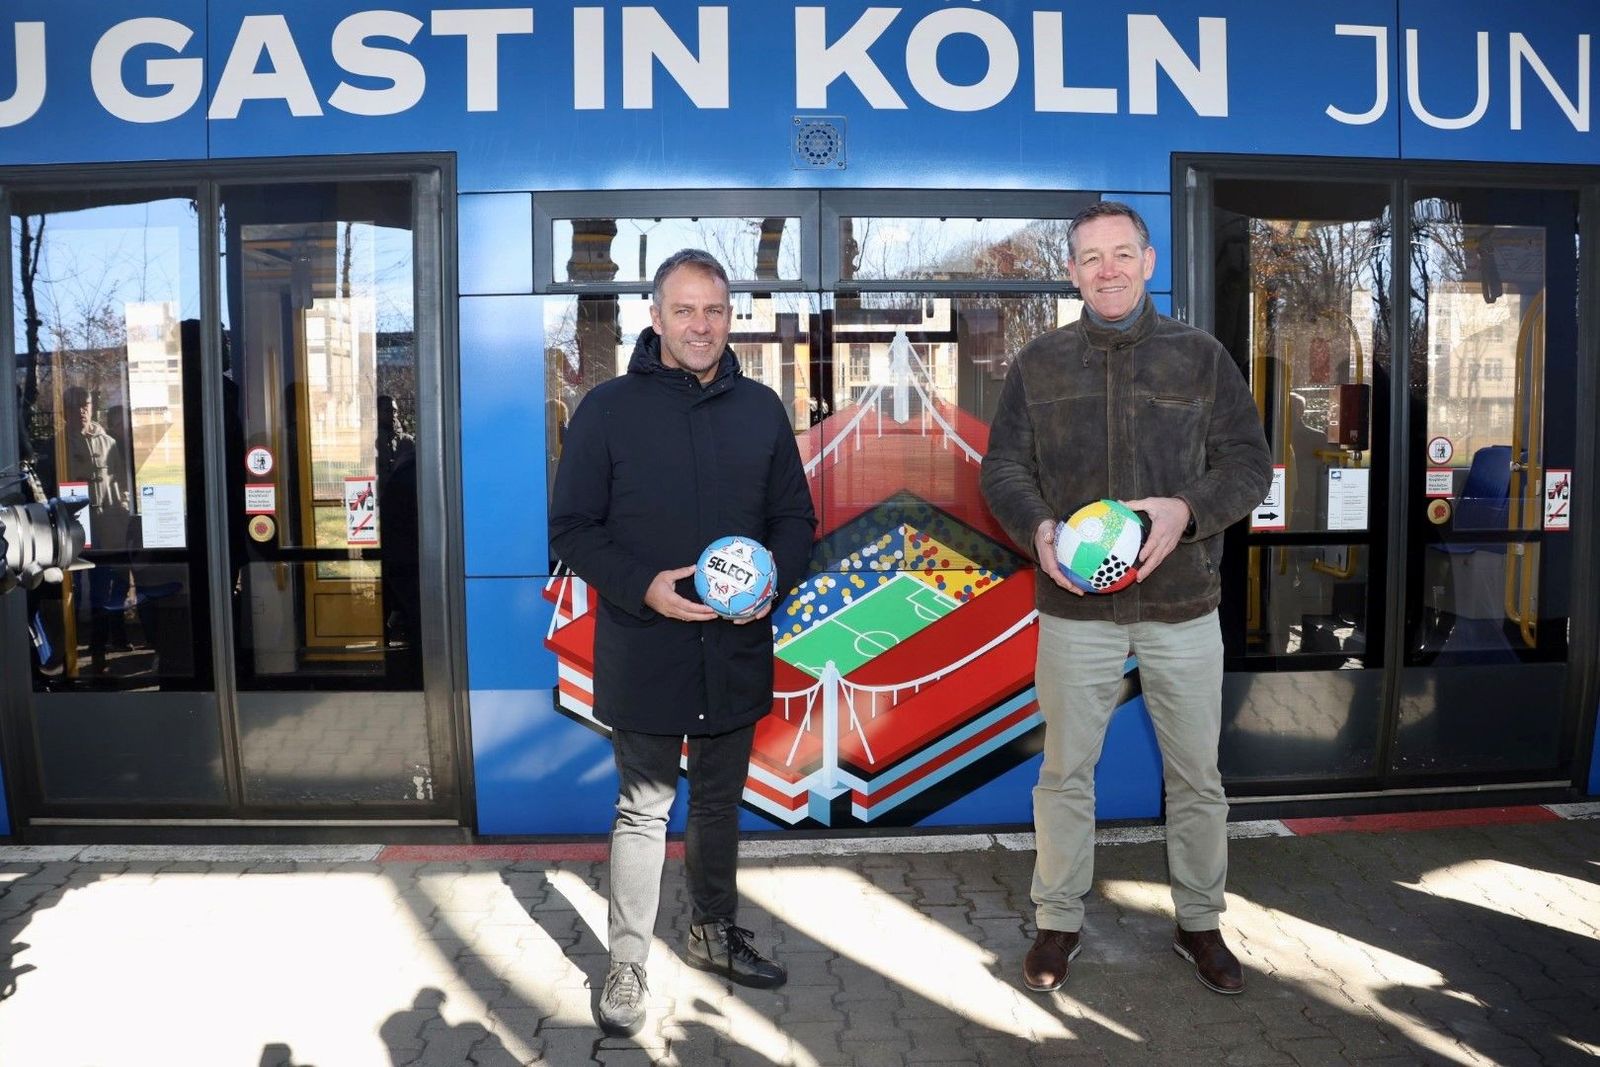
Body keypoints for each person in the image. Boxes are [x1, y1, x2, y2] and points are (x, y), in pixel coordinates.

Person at [979, 202, 1271, 996]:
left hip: (1182, 606)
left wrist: (1187, 510)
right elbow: (1002, 470)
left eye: (1121, 253)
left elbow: (1250, 463)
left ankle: (1200, 922)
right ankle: (1058, 921)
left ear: (1148, 262)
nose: (1106, 269)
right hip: (1076, 611)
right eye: (1089, 257)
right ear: (1071, 272)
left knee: (1197, 776)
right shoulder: (1038, 364)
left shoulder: (1201, 358)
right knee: (1067, 772)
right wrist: (1038, 528)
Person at [548, 248, 817, 1037]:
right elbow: (571, 528)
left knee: (721, 804)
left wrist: (772, 583)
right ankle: (626, 963)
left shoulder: (762, 409)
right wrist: (645, 587)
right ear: (656, 317)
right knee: (643, 809)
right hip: (645, 645)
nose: (701, 326)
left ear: (729, 318)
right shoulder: (606, 410)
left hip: (735, 649)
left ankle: (710, 931)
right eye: (685, 310)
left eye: (715, 310)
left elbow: (795, 522)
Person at [61, 384, 133, 673]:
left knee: (107, 586)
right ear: (64, 410)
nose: (80, 410)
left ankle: (100, 648)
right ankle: (79, 650)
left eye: (85, 404)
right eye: (74, 405)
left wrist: (123, 508)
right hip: (77, 527)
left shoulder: (109, 442)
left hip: (109, 525)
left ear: (92, 406)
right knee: (79, 589)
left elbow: (121, 481)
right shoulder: (60, 444)